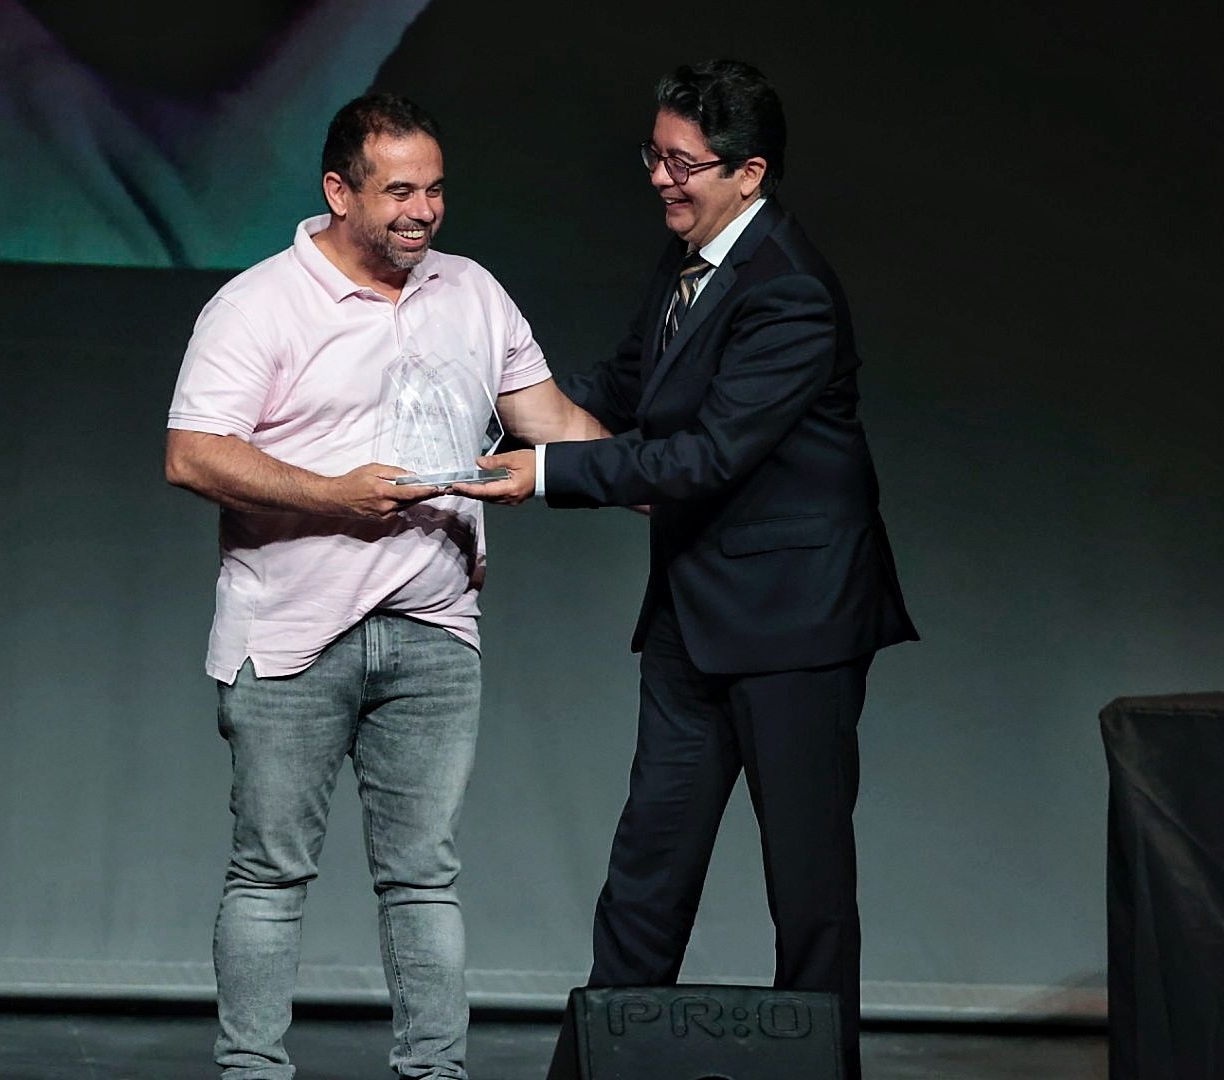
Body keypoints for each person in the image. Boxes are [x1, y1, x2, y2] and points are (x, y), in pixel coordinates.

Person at [458, 60, 917, 1079]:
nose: (662, 179)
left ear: (748, 173)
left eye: (684, 163)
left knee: (809, 899)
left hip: (795, 629)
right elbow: (618, 386)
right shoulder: (687, 264)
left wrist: (542, 476)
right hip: (690, 622)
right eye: (654, 156)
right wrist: (477, 408)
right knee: (645, 878)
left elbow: (706, 455)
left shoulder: (789, 292)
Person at [165, 93, 602, 1080]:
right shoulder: (260, 303)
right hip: (290, 638)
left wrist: (667, 484)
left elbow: (556, 423)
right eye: (398, 190)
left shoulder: (471, 294)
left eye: (436, 189)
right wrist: (328, 494)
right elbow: (191, 455)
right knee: (271, 876)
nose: (423, 210)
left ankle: (433, 1077)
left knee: (424, 880)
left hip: (434, 633)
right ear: (337, 192)